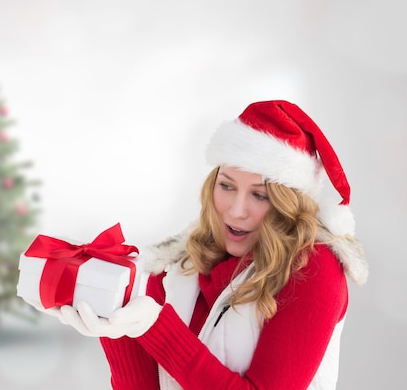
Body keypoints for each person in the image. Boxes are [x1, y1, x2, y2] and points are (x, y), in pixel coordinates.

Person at [28, 100, 368, 390]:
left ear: (288, 204)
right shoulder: (179, 264)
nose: (236, 210)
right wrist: (116, 324)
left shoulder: (314, 267)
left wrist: (155, 328)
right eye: (227, 186)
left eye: (260, 195)